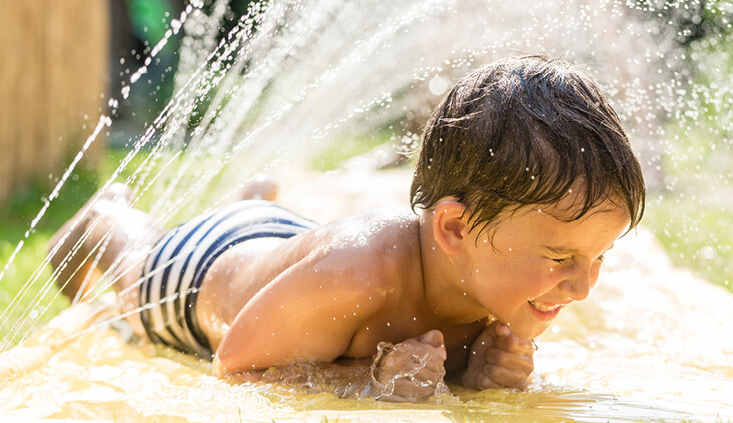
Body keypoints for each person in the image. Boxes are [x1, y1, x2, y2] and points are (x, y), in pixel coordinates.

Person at [48, 55, 645, 402]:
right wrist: (366, 379)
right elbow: (234, 368)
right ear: (456, 230)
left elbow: (440, 366)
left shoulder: (495, 279)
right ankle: (112, 220)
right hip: (201, 272)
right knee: (138, 272)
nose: (582, 285)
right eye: (560, 256)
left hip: (288, 241)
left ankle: (253, 200)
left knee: (278, 243)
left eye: (599, 256)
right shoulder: (355, 275)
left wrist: (476, 373)